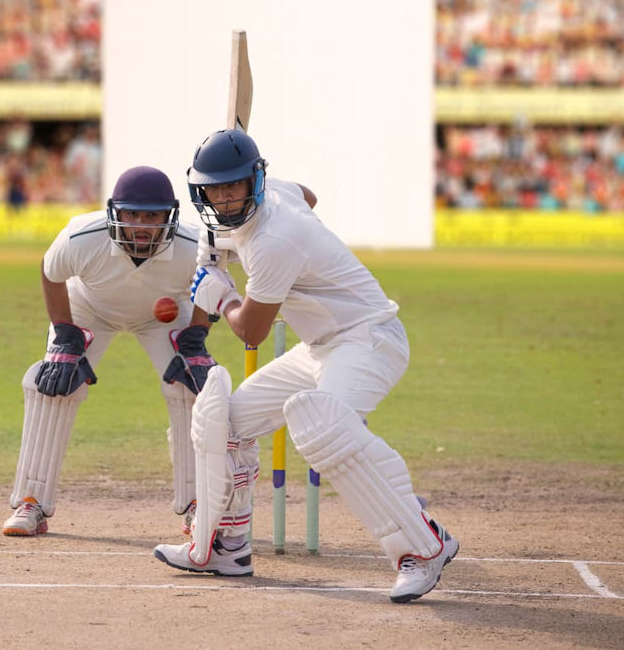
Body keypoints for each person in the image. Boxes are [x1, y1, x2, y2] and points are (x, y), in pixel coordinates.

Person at [153, 130, 459, 603]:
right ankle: (226, 547)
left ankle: (422, 545)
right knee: (227, 423)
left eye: (235, 185)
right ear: (202, 191)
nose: (226, 197)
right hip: (320, 346)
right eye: (216, 188)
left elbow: (251, 331)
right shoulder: (272, 196)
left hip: (368, 338)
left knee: (323, 427)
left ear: (255, 179)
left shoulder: (275, 241)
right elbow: (307, 196)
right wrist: (225, 254)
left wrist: (223, 293)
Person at [3, 166, 215, 537]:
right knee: (53, 386)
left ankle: (198, 504)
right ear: (115, 211)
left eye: (151, 216)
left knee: (192, 387)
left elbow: (214, 283)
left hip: (162, 313)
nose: (142, 225)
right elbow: (50, 272)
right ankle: (31, 503)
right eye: (132, 214)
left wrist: (196, 336)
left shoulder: (193, 244)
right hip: (89, 309)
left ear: (170, 215)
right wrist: (67, 335)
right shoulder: (82, 237)